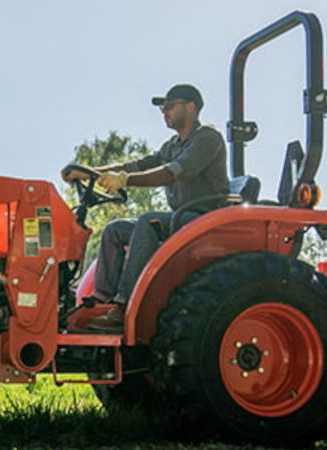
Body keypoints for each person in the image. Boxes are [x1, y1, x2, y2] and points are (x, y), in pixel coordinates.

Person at [61, 83, 228, 331]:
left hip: (203, 218)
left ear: (190, 107)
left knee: (148, 221)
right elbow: (138, 165)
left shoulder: (207, 139)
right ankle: (100, 300)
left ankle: (123, 306)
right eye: (163, 107)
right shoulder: (172, 145)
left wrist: (126, 181)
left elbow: (174, 172)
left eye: (170, 106)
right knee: (115, 229)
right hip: (181, 218)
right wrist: (93, 173)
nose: (164, 111)